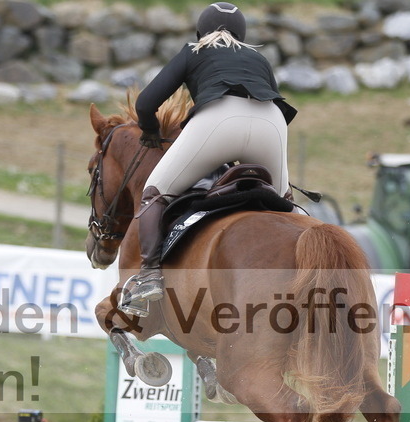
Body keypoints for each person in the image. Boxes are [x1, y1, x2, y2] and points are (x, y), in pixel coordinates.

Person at [120, 1, 298, 315]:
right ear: (242, 33)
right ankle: (309, 273)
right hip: (271, 121)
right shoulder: (258, 57)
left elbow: (146, 103)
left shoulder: (194, 50)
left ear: (200, 31)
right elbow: (269, 98)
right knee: (286, 202)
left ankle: (149, 276)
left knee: (155, 192)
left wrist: (150, 131)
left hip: (219, 118)